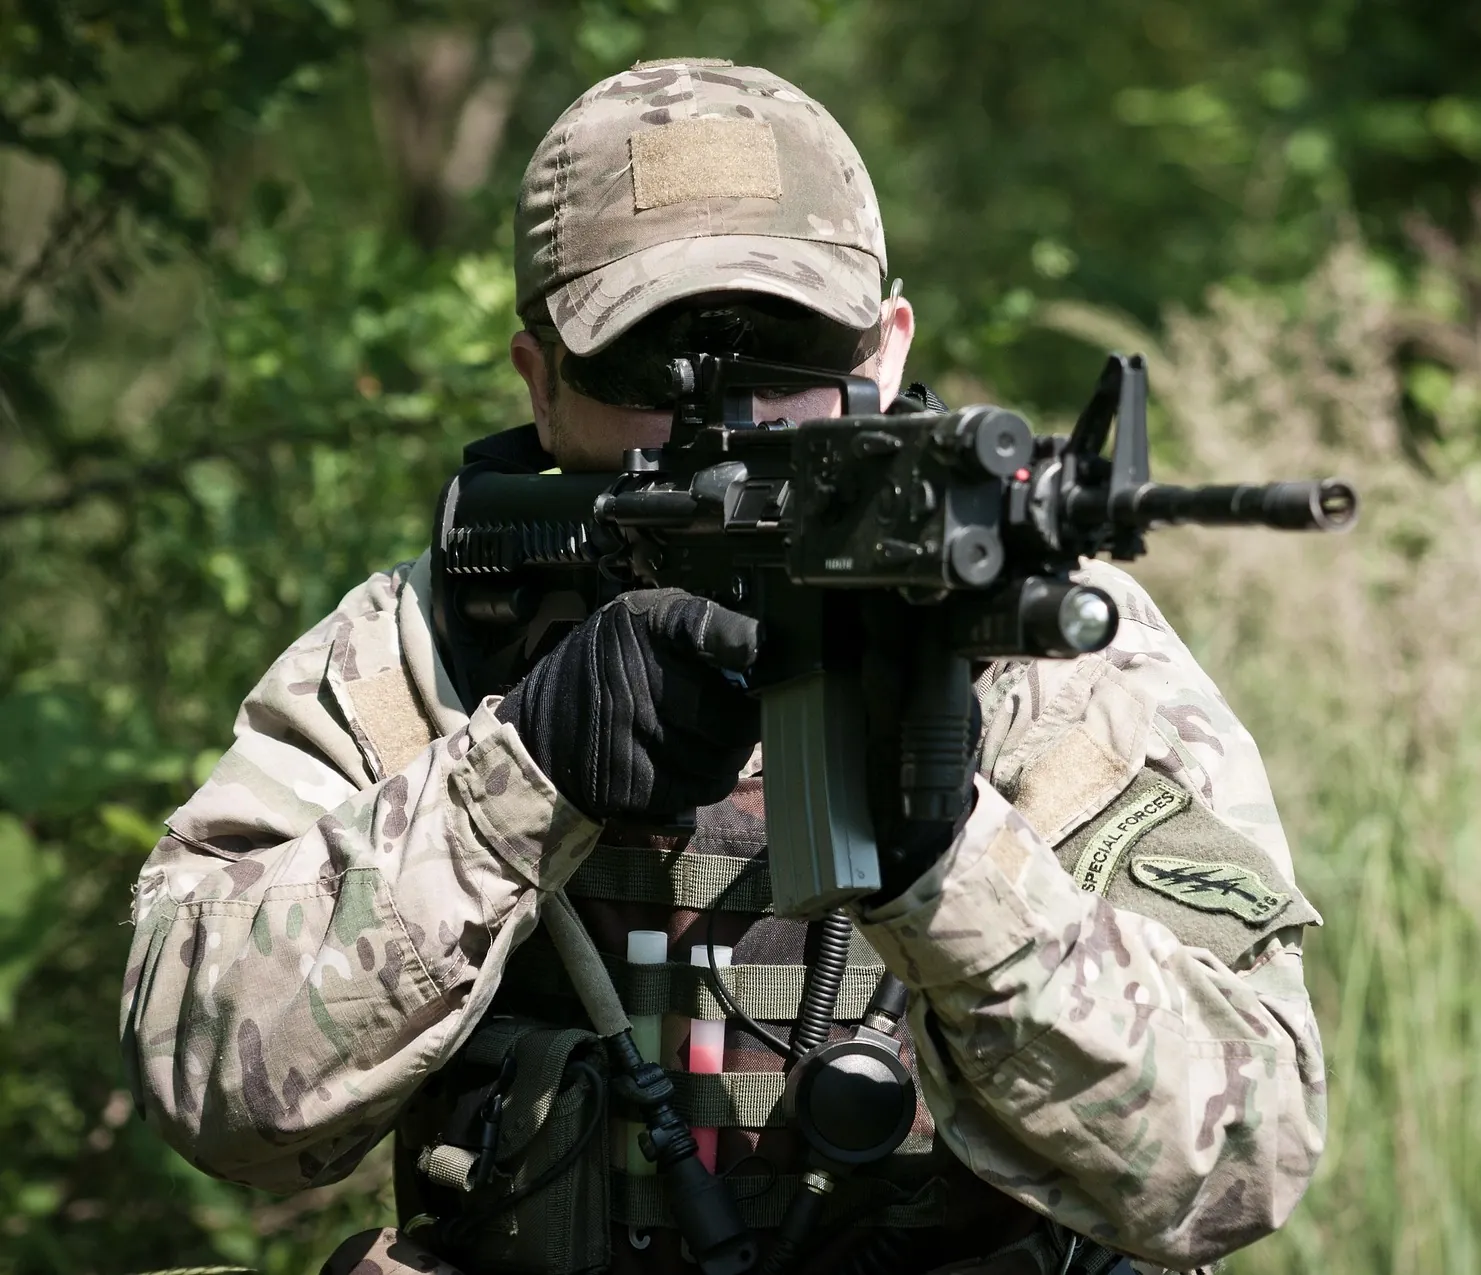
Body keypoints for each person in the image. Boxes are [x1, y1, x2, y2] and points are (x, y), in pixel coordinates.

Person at [119, 59, 1326, 1275]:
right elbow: (208, 1084)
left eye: (791, 347)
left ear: (887, 350)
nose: (736, 418)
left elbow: (1242, 1156)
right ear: (543, 384)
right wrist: (517, 777)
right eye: (653, 363)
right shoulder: (434, 646)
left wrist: (949, 864)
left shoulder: (1040, 658)